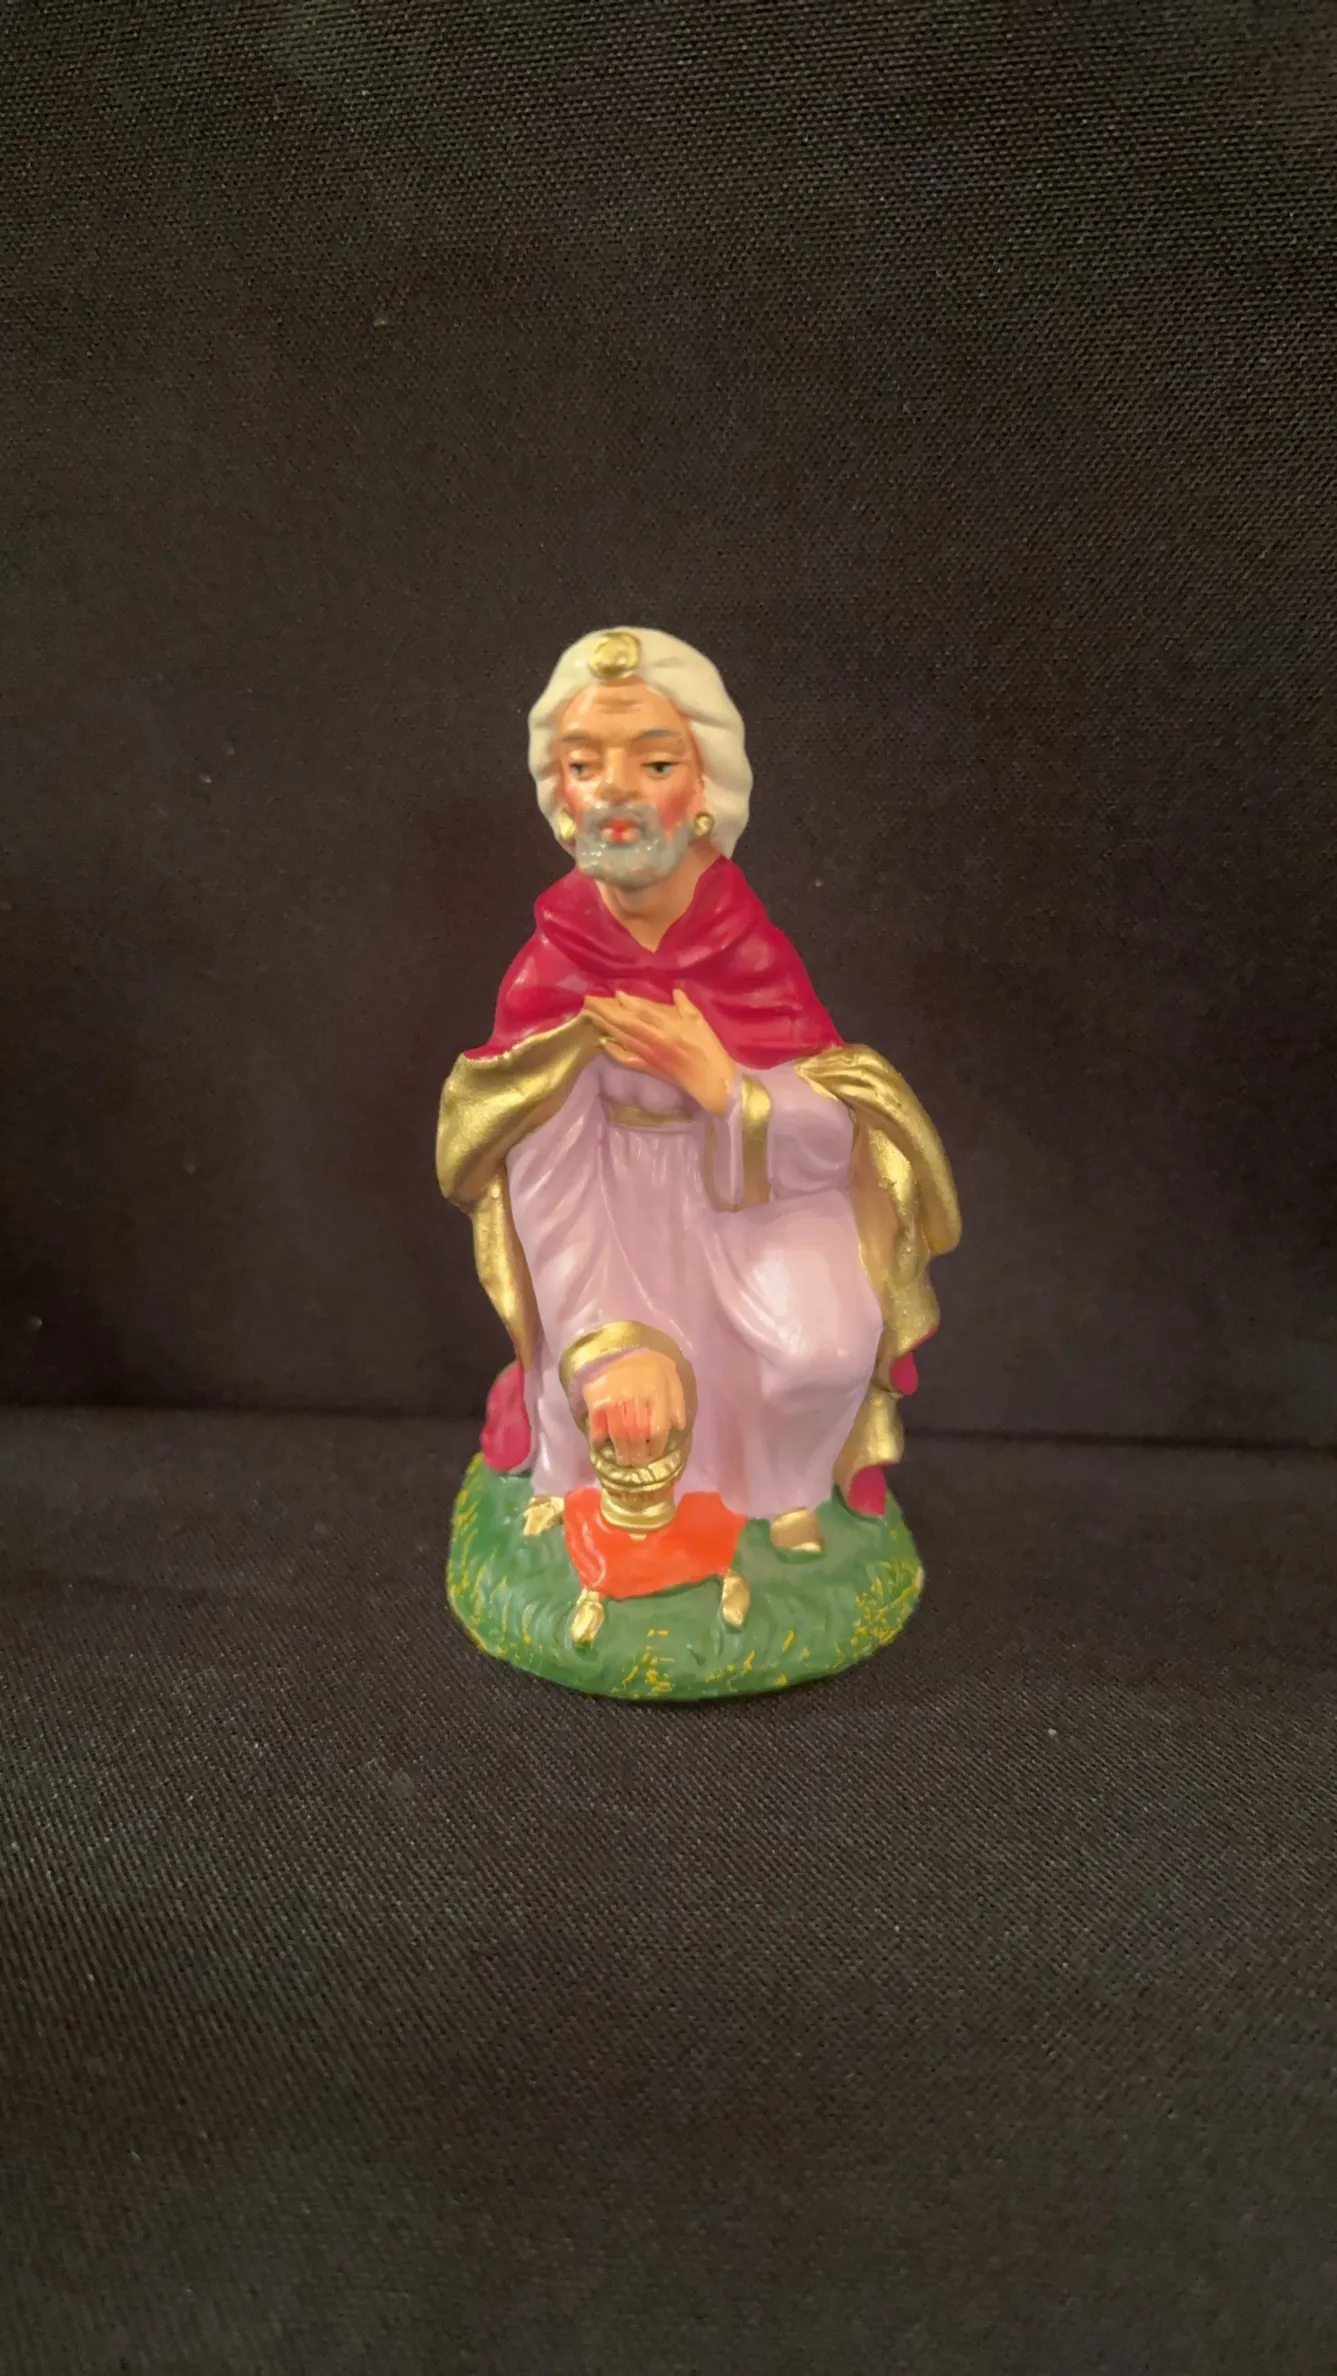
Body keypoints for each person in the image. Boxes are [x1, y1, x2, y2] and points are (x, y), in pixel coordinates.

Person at [437, 628, 959, 1630]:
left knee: (819, 1347)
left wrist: (726, 1088)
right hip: (610, 1229)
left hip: (753, 1202)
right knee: (614, 1398)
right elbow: (541, 1182)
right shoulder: (550, 976)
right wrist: (605, 1343)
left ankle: (779, 1496)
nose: (614, 792)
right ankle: (600, 1495)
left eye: (653, 763)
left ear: (705, 787)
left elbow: (836, 1133)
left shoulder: (751, 955)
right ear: (559, 801)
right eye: (583, 766)